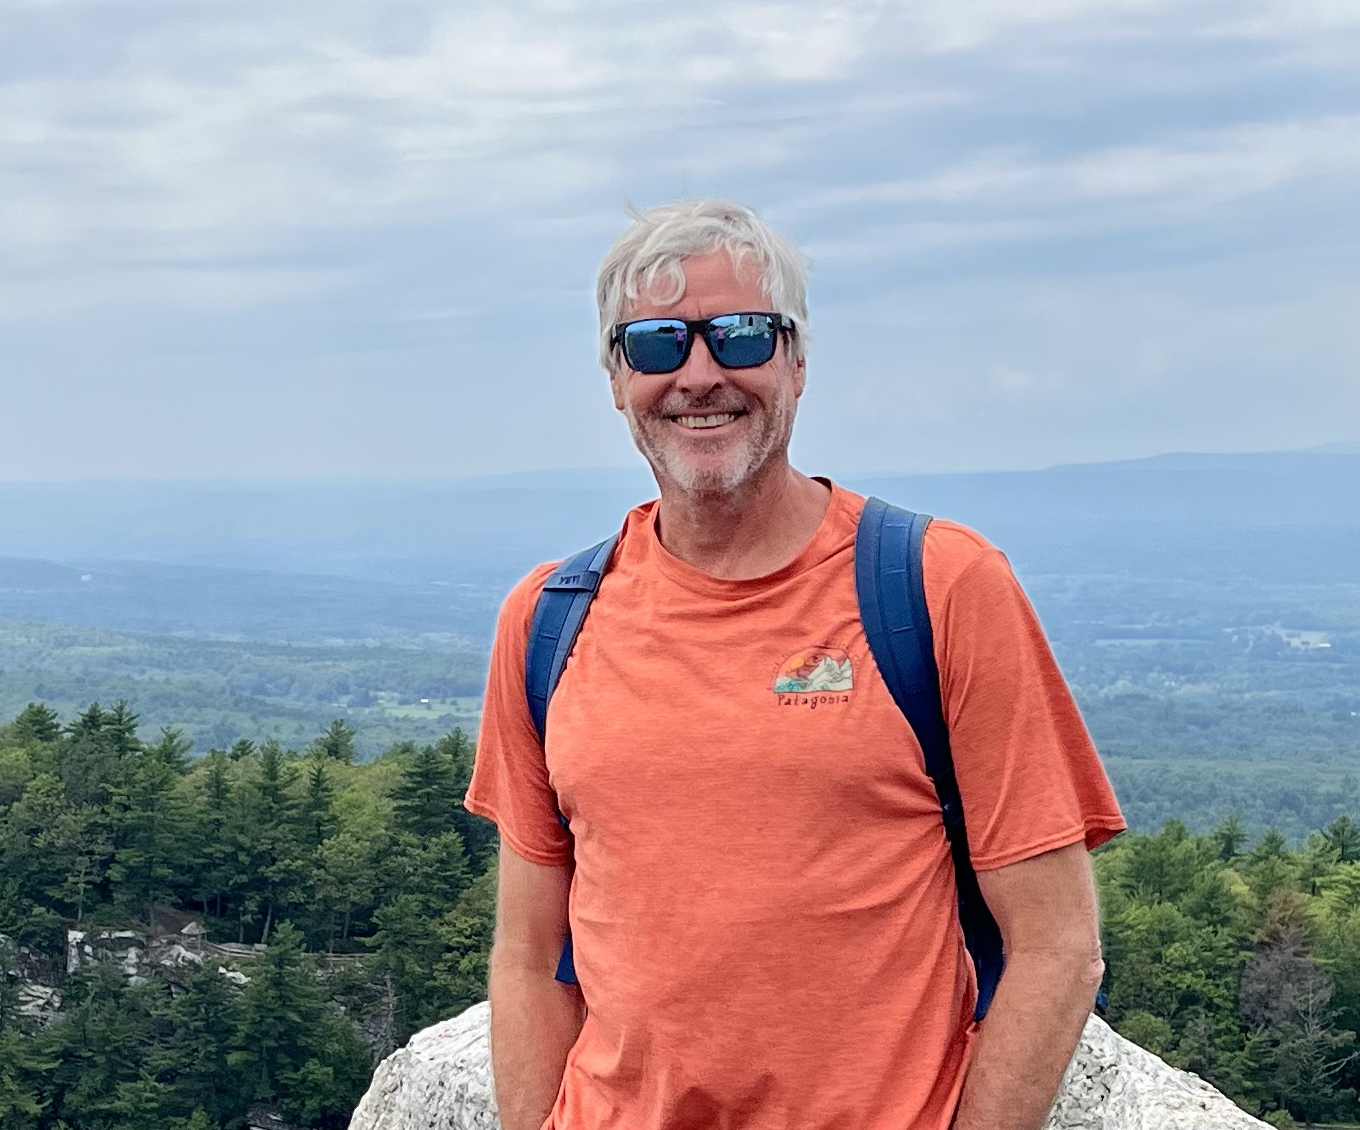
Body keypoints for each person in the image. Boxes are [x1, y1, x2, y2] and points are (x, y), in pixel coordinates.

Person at [465, 199, 1127, 1130]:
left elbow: (1059, 946)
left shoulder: (937, 587)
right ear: (617, 379)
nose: (700, 375)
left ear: (798, 361)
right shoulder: (547, 621)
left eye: (740, 336)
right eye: (656, 344)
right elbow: (530, 957)